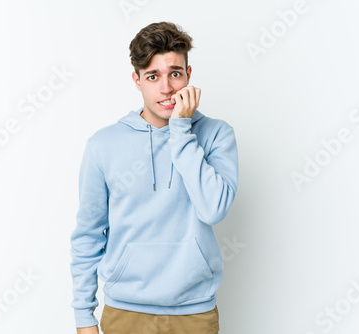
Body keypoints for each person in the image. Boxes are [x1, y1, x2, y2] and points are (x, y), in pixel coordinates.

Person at [69, 21, 239, 334]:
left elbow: (213, 210)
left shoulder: (216, 135)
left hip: (195, 313)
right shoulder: (103, 145)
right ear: (137, 80)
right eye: (152, 76)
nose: (166, 88)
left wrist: (181, 131)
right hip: (125, 311)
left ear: (188, 75)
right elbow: (88, 235)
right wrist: (84, 317)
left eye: (174, 73)